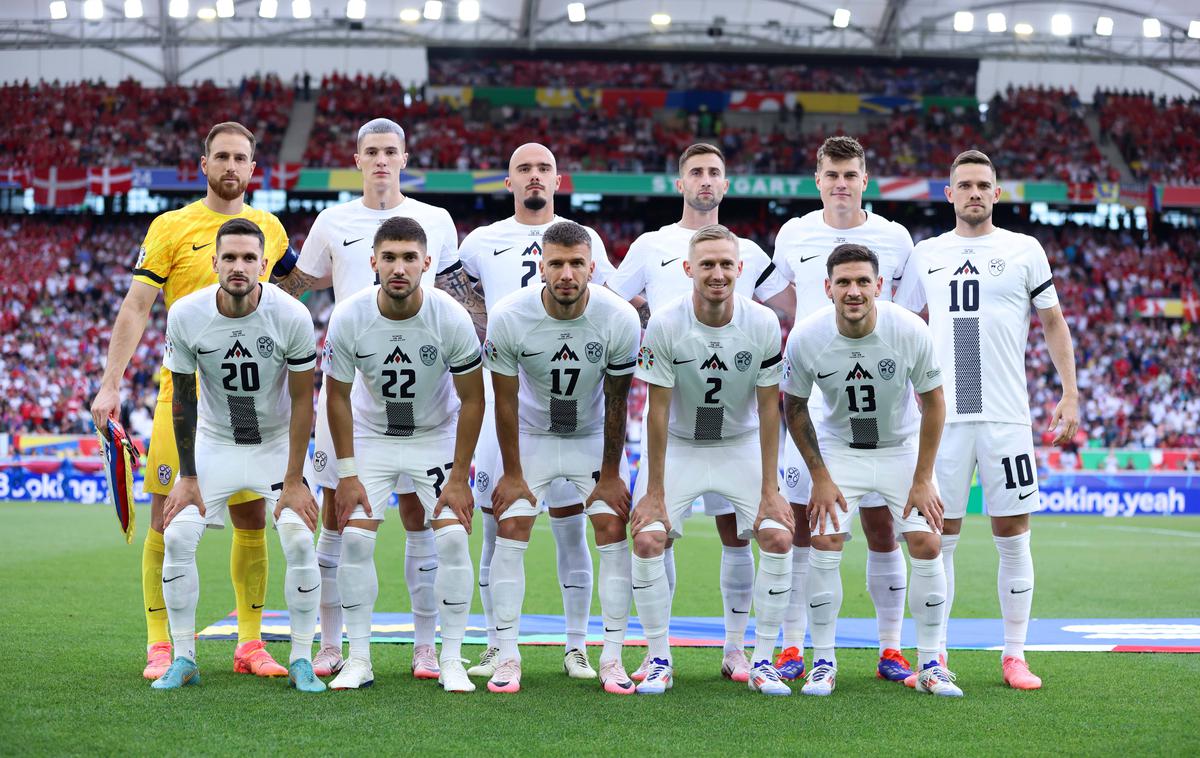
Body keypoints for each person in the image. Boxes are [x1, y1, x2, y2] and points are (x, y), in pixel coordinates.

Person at [276, 117, 486, 680]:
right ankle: (331, 643)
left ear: (404, 157)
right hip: (353, 385)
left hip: (425, 386)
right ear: (358, 157)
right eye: (371, 152)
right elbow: (302, 283)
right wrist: (261, 305)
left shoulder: (436, 221)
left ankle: (427, 647)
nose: (381, 160)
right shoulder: (333, 219)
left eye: (390, 151)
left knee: (424, 519)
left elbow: (458, 289)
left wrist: (477, 336)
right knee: (338, 519)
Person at [90, 121, 294, 680]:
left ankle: (250, 645)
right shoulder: (171, 226)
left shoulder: (269, 229)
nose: (231, 166)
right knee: (168, 513)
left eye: (241, 158)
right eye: (221, 156)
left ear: (254, 169)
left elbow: (288, 290)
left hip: (249, 398)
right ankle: (161, 643)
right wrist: (111, 381)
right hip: (184, 396)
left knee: (253, 514)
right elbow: (136, 307)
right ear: (203, 164)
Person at [606, 142, 794, 683]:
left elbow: (793, 319)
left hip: (734, 433)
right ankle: (657, 654)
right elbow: (615, 305)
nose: (706, 180)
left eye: (716, 172)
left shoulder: (753, 268)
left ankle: (745, 654)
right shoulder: (651, 249)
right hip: (681, 426)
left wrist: (769, 482)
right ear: (680, 181)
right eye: (697, 172)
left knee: (746, 536)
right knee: (652, 532)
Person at [895, 149, 1080, 690]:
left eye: (983, 184)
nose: (974, 193)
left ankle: (1015, 655)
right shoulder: (927, 254)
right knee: (937, 538)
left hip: (1005, 418)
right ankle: (934, 658)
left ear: (996, 194)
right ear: (948, 194)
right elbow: (902, 326)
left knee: (1013, 535)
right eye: (964, 185)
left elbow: (1053, 322)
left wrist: (1070, 393)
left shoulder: (1024, 250)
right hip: (941, 421)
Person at [457, 143, 617, 681]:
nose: (533, 177)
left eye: (543, 169)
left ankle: (577, 648)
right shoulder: (481, 241)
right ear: (508, 182)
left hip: (573, 405)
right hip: (507, 398)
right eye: (523, 169)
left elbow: (610, 299)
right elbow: (461, 302)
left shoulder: (583, 238)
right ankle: (495, 642)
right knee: (496, 522)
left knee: (573, 526)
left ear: (558, 179)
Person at [151, 219, 323, 693]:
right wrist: (186, 477)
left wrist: (294, 481)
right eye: (230, 257)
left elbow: (304, 401)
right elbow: (183, 399)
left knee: (299, 539)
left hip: (274, 445)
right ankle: (183, 656)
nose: (239, 266)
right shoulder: (186, 314)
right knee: (179, 535)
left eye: (249, 258)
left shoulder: (291, 316)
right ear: (215, 263)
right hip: (215, 442)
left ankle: (304, 659)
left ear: (265, 266)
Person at [782, 243, 959, 698]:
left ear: (879, 286)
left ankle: (930, 663)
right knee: (823, 537)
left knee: (926, 540)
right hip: (841, 449)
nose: (854, 290)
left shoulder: (909, 330)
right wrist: (820, 475)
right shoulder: (807, 336)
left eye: (863, 281)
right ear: (828, 288)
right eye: (844, 282)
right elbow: (794, 405)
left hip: (900, 448)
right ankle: (823, 661)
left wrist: (922, 479)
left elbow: (935, 403)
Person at [771, 135, 916, 683]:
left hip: (881, 400)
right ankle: (791, 648)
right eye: (831, 174)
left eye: (850, 174)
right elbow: (785, 298)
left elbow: (907, 306)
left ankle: (891, 649)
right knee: (805, 528)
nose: (840, 184)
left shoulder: (894, 238)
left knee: (883, 528)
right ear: (818, 179)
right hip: (814, 404)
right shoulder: (794, 233)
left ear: (864, 179)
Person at [322, 216, 485, 692]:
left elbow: (473, 399)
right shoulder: (350, 315)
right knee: (353, 540)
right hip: (373, 436)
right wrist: (347, 473)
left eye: (409, 258)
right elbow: (335, 396)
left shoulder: (450, 317)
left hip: (433, 435)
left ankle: (449, 657)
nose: (399, 267)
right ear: (372, 262)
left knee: (453, 541)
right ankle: (357, 659)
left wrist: (458, 477)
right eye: (389, 257)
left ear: (427, 263)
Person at [481, 221, 640, 694]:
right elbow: (503, 400)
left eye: (576, 264)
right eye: (556, 263)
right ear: (541, 267)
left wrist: (610, 473)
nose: (566, 273)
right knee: (512, 526)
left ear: (593, 267)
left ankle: (609, 656)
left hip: (590, 434)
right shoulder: (510, 315)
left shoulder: (618, 318)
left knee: (611, 526)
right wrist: (511, 472)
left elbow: (618, 399)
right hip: (531, 433)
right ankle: (507, 656)